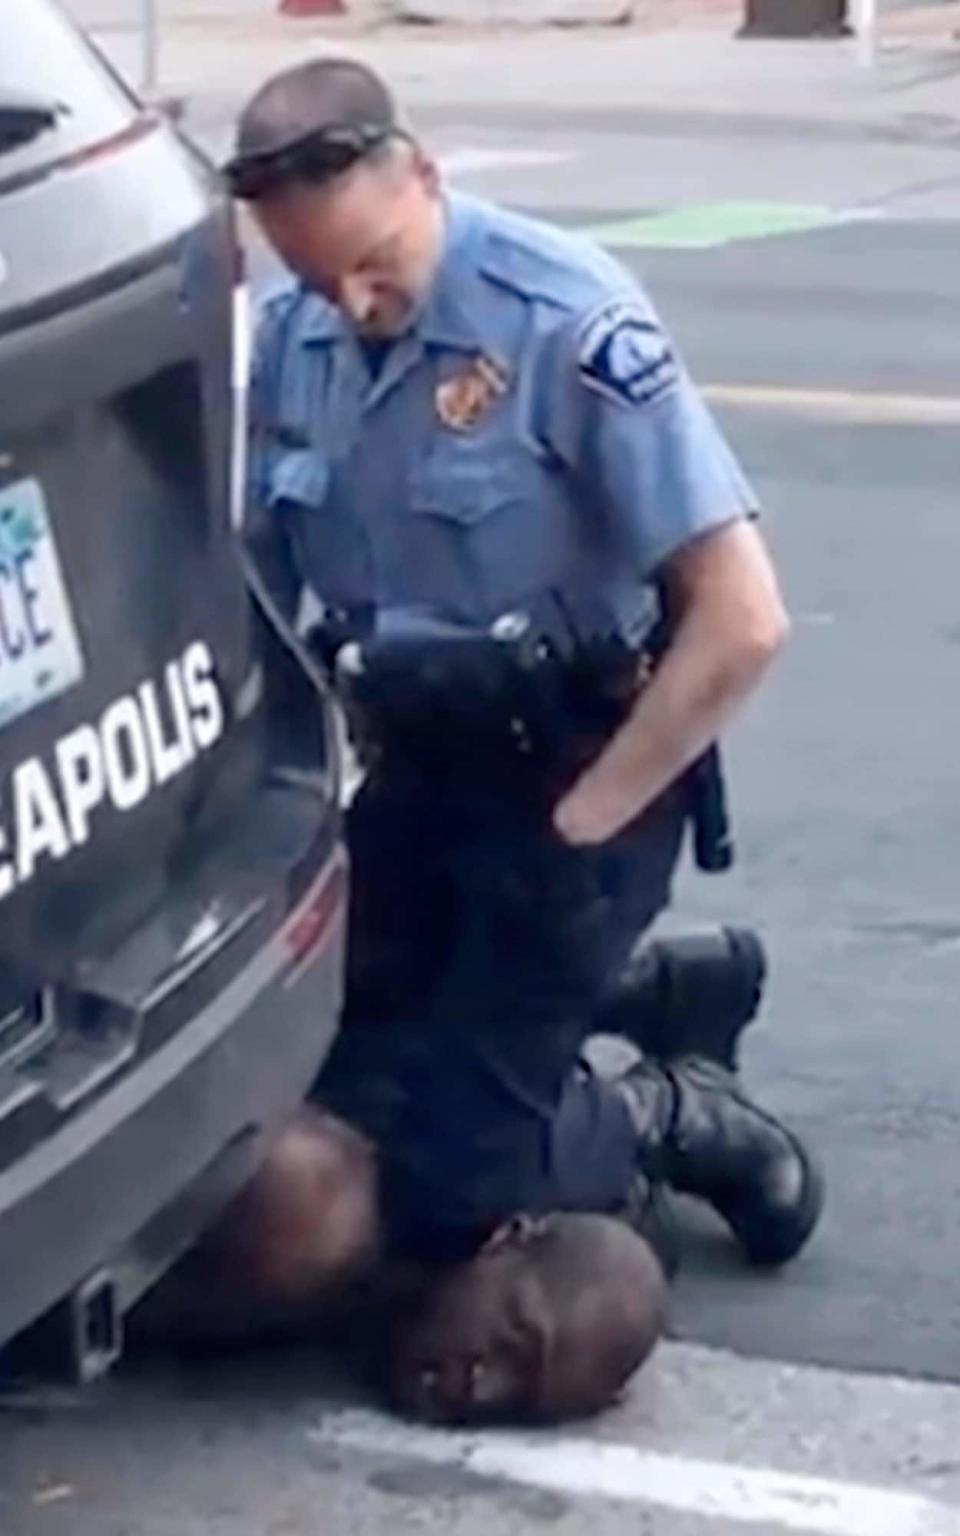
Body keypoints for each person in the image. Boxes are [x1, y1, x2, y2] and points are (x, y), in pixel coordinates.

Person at [224, 57, 824, 1326]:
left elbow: (744, 621)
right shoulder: (296, 339)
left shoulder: (564, 320)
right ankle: (638, 992)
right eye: (317, 276)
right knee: (326, 1065)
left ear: (425, 178)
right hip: (419, 767)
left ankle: (665, 1116)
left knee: (446, 1189)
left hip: (583, 771)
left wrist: (587, 826)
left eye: (376, 264)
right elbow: (268, 587)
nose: (357, 301)